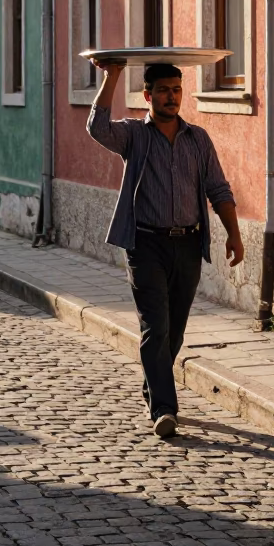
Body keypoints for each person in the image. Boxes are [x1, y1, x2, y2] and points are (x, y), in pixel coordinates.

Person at [88, 61, 244, 439]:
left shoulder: (198, 139)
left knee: (173, 330)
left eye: (176, 89)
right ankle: (164, 407)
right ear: (147, 95)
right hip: (145, 244)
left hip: (188, 244)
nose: (171, 96)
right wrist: (112, 75)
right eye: (162, 90)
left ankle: (153, 387)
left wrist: (234, 235)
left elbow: (218, 189)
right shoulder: (133, 136)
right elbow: (97, 127)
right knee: (155, 326)